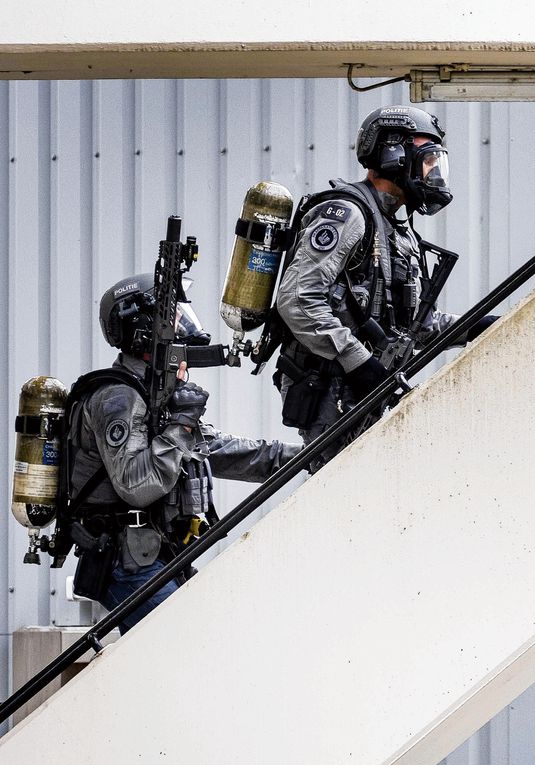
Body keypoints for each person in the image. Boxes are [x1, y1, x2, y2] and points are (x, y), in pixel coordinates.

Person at [66, 273, 302, 633]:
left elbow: (218, 450)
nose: (182, 323)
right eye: (172, 315)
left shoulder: (153, 395)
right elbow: (137, 485)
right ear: (142, 326)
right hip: (127, 565)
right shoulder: (119, 398)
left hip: (156, 555)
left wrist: (305, 454)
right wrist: (180, 424)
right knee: (187, 646)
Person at [272, 105, 496, 461]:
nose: (434, 170)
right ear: (394, 155)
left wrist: (477, 328)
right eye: (427, 158)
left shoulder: (395, 230)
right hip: (333, 387)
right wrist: (357, 360)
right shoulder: (348, 215)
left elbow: (415, 327)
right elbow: (298, 299)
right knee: (341, 489)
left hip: (366, 385)